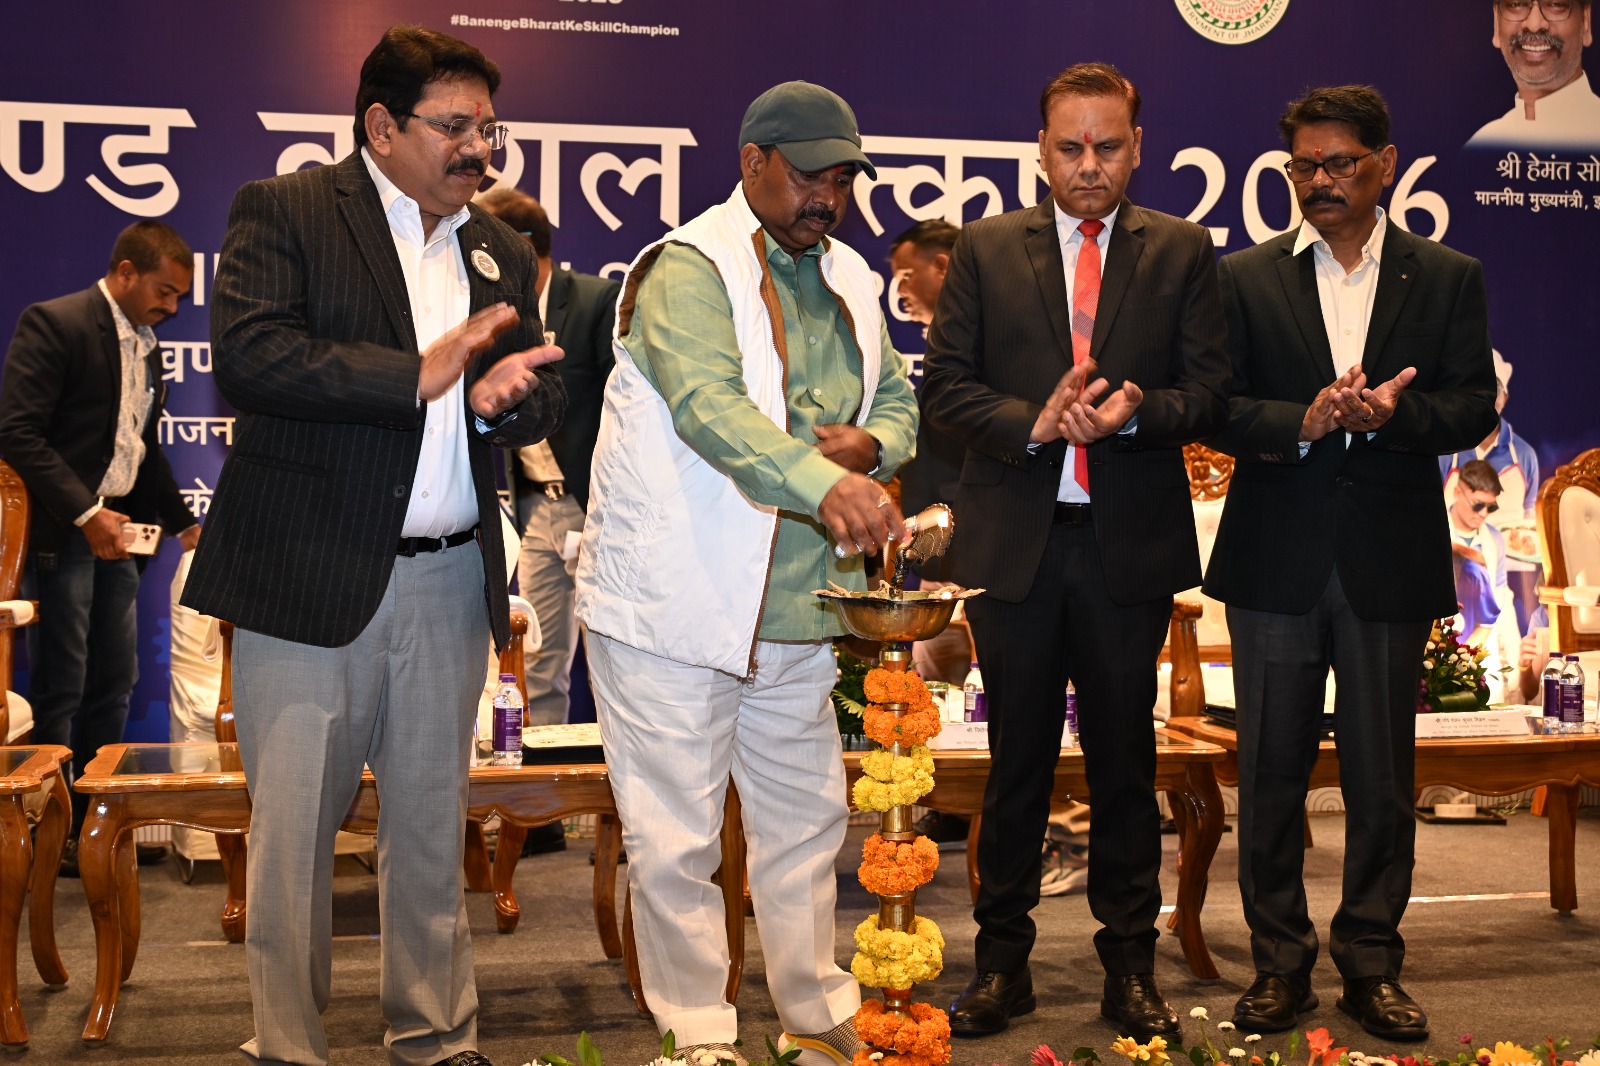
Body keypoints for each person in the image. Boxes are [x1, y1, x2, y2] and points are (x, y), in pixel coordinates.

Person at [182, 24, 566, 1066]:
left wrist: (501, 403)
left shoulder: (495, 246)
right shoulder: (289, 210)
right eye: (456, 127)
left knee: (433, 831)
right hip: (310, 577)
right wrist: (418, 373)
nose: (478, 149)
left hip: (448, 581)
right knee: (295, 840)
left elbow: (542, 395)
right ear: (382, 127)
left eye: (489, 129)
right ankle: (289, 1046)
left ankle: (436, 1037)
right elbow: (252, 356)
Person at [574, 81, 918, 1065]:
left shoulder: (850, 276)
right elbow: (710, 409)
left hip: (799, 606)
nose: (828, 197)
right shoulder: (686, 267)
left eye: (842, 178)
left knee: (806, 824)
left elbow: (900, 397)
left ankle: (814, 1010)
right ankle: (699, 1032)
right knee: (676, 836)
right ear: (752, 162)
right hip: (676, 606)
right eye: (809, 175)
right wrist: (825, 481)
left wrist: (874, 445)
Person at [921, 62, 1228, 1039]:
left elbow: (1208, 392)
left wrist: (1136, 413)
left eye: (1107, 146)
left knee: (1123, 764)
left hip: (1125, 547)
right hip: (1016, 545)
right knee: (1014, 763)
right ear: (1040, 152)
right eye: (1070, 147)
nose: (1089, 165)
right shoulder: (984, 247)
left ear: (1138, 147)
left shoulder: (1181, 249)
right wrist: (1036, 421)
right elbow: (945, 388)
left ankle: (1129, 969)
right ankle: (1001, 967)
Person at [1203, 85, 1497, 1041]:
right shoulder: (1244, 277)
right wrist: (1307, 420)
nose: (1321, 181)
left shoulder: (1445, 276)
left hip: (1385, 559)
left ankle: (1372, 964)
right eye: (1304, 167)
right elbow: (1216, 405)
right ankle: (1278, 966)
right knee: (1270, 776)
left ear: (1385, 164)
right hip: (1274, 560)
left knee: (1380, 779)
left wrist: (1394, 416)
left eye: (1340, 164)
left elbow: (1471, 407)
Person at [0, 220, 200, 871]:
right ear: (125, 272)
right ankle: (45, 832)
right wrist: (87, 513)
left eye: (179, 296)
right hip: (67, 531)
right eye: (164, 292)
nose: (172, 307)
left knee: (114, 681)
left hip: (121, 536)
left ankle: (93, 828)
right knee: (62, 685)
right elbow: (18, 433)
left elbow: (143, 450)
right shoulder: (55, 323)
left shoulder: (147, 346)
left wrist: (186, 525)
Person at [479, 185, 620, 856]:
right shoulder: (492, 316)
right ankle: (541, 814)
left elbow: (625, 405)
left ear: (523, 248)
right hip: (537, 507)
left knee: (614, 659)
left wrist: (609, 506)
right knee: (537, 658)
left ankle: (628, 812)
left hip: (601, 509)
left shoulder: (593, 300)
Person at [1439, 351, 1542, 632]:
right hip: (1450, 578)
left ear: (1505, 397)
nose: (1486, 397)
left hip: (1512, 577)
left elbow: (1530, 522)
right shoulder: (1447, 450)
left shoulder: (1524, 456)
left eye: (1494, 389)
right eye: (1479, 387)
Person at [1466, 0, 1600, 149]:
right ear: (1496, 24)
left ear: (1585, 21)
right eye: (1516, 4)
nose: (1534, 25)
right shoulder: (1481, 148)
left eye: (1555, 4)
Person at [1447, 461, 1521, 703]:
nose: (1483, 513)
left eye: (1491, 507)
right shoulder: (1433, 531)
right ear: (1457, 492)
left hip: (1481, 653)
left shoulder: (1495, 540)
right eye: (1478, 504)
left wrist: (1515, 662)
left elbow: (1501, 600)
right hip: (1436, 649)